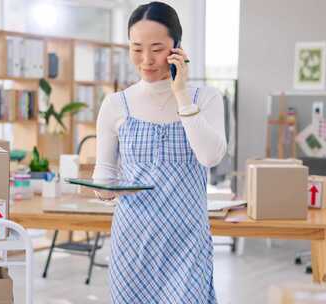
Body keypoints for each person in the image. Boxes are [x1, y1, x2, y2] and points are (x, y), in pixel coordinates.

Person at [93, 2, 226, 303]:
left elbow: (210, 157)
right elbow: (104, 177)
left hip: (187, 241)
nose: (146, 59)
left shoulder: (205, 99)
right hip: (133, 240)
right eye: (136, 48)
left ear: (177, 47)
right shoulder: (116, 104)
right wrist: (104, 189)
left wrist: (180, 93)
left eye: (157, 48)